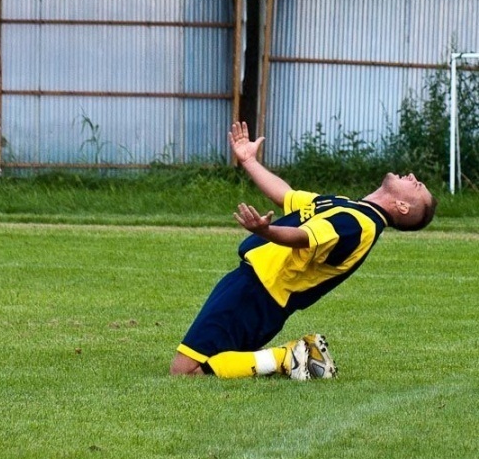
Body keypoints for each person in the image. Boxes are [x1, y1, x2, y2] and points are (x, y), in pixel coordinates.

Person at [170, 121, 437, 380]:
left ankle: (289, 358)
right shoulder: (348, 207)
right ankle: (290, 357)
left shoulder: (359, 225)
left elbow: (304, 238)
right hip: (254, 290)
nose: (413, 177)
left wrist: (267, 232)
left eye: (417, 186)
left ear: (403, 206)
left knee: (184, 371)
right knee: (208, 364)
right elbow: (287, 196)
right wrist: (249, 161)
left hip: (257, 294)